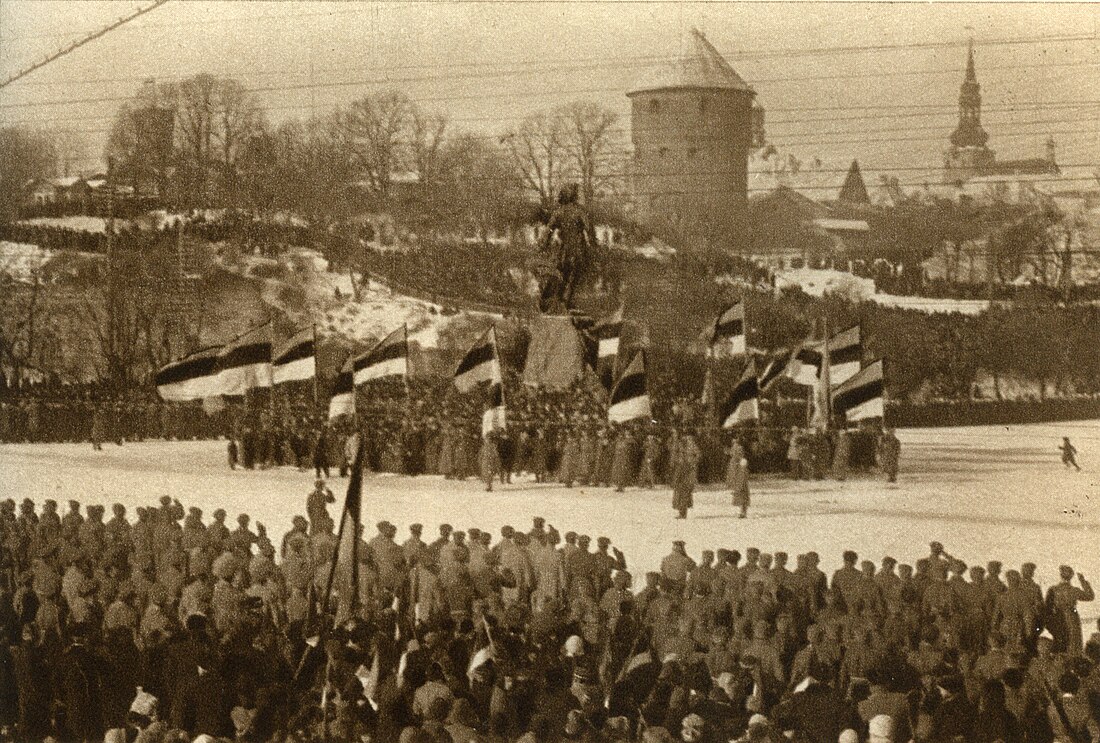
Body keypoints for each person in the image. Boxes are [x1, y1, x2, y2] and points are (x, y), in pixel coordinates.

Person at [538, 183, 598, 313]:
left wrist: (544, 245)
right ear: (573, 197)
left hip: (564, 251)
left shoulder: (558, 213)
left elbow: (548, 230)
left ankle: (560, 301)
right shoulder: (580, 212)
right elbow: (589, 229)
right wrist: (594, 245)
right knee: (575, 276)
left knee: (562, 276)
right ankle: (566, 301)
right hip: (578, 251)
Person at [727, 438, 750, 519]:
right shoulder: (734, 461)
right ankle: (742, 512)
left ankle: (743, 512)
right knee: (740, 495)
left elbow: (742, 473)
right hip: (737, 479)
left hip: (740, 479)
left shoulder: (741, 461)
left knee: (743, 494)